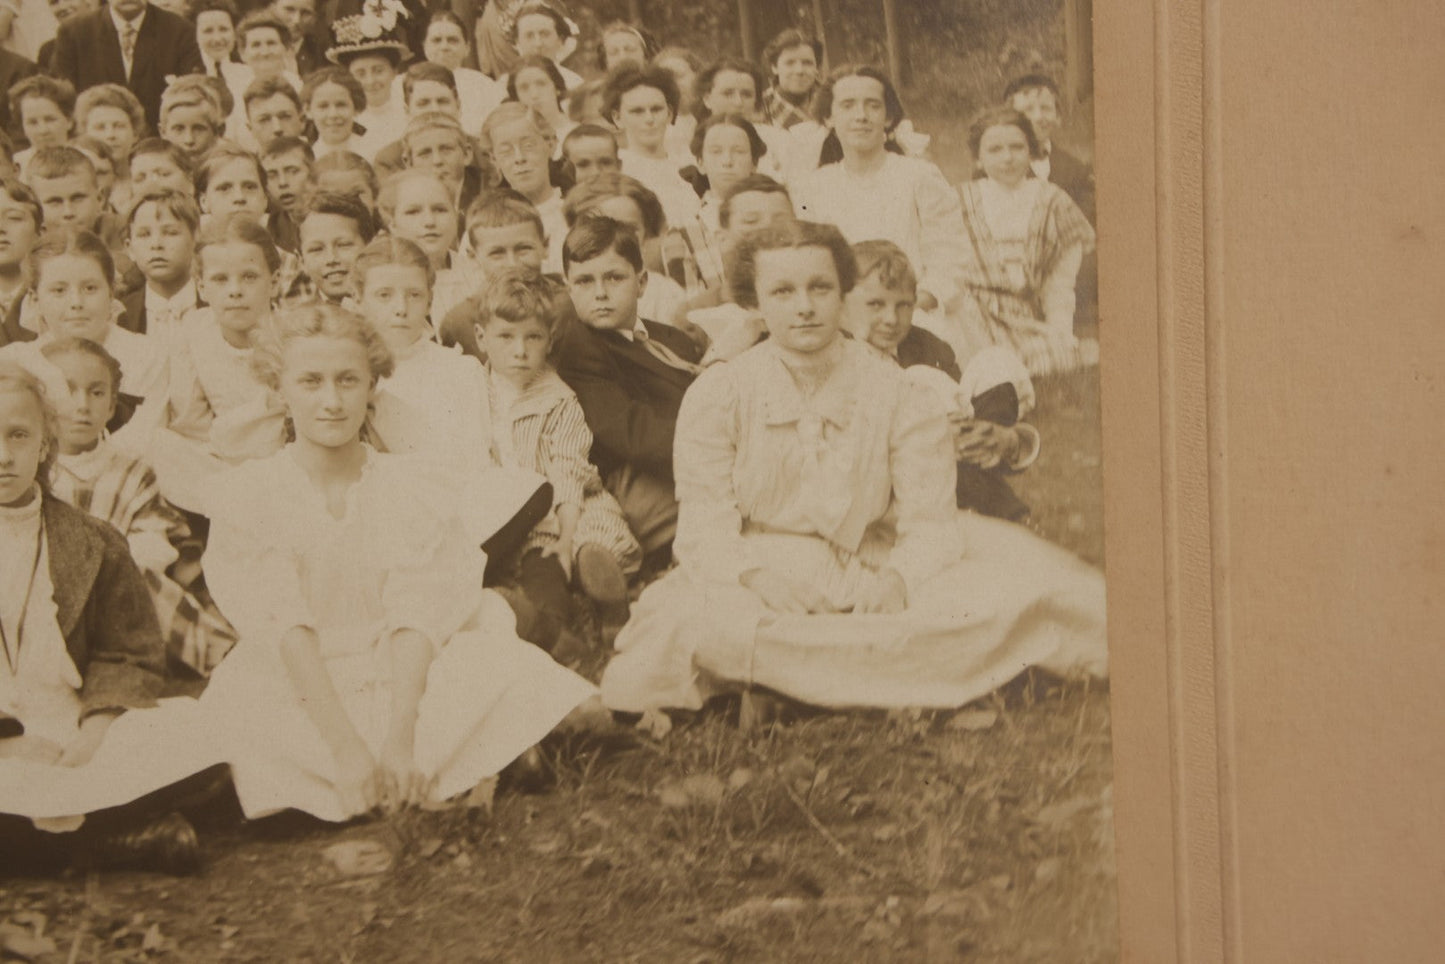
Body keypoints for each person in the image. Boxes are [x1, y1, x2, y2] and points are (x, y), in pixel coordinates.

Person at [599, 220, 1108, 714]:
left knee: (1003, 600)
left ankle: (781, 682)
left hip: (874, 557)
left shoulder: (898, 391)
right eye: (782, 292)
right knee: (688, 619)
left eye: (820, 288)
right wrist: (757, 578)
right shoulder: (719, 394)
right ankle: (868, 676)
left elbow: (930, 522)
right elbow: (704, 525)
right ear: (754, 302)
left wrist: (898, 581)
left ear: (843, 294)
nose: (804, 307)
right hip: (760, 564)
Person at [196, 302, 598, 821]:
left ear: (372, 386)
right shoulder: (252, 495)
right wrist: (346, 747)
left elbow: (418, 616)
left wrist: (400, 736)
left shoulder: (409, 486)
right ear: (279, 390)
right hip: (304, 681)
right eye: (311, 382)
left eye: (348, 380)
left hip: (402, 667)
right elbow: (285, 627)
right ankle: (465, 762)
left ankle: (419, 765)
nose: (332, 401)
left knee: (486, 659)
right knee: (240, 703)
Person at [0, 359, 222, 875]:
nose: (3, 456)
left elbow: (127, 651)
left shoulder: (93, 540)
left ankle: (41, 840)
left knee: (196, 736)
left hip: (74, 725)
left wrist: (93, 731)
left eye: (18, 435)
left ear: (45, 443)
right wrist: (10, 742)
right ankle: (103, 842)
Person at [41, 336, 238, 674]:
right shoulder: (32, 472)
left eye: (97, 393)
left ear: (112, 405)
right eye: (67, 391)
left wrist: (113, 565)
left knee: (145, 584)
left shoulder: (130, 471)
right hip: (48, 591)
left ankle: (220, 659)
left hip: (116, 593)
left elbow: (154, 542)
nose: (83, 405)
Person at [474, 266, 641, 650]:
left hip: (572, 502)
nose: (520, 350)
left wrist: (567, 538)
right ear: (482, 338)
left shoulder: (558, 398)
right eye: (506, 337)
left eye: (532, 337)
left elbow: (568, 471)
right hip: (515, 516)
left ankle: (609, 598)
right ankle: (552, 630)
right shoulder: (473, 391)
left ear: (549, 341)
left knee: (596, 534)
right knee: (541, 568)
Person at [844, 239, 1039, 521]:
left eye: (903, 305)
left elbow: (958, 401)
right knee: (918, 381)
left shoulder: (927, 345)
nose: (891, 318)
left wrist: (974, 432)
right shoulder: (838, 353)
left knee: (994, 362)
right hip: (887, 473)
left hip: (952, 452)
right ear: (843, 303)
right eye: (875, 304)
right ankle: (1004, 510)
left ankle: (984, 450)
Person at [790, 66, 971, 358]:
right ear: (829, 118)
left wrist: (908, 307)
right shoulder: (814, 187)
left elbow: (950, 259)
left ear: (888, 117)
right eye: (848, 105)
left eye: (873, 105)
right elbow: (810, 263)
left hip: (913, 315)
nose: (861, 116)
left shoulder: (919, 177)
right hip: (841, 321)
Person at [553, 215, 702, 559]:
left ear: (642, 282)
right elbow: (633, 434)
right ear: (569, 288)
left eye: (614, 278)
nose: (600, 293)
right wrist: (719, 448)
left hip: (686, 460)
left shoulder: (672, 338)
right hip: (640, 479)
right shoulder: (578, 347)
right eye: (584, 281)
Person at [117, 213, 280, 512]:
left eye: (249, 277)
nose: (235, 290)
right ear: (202, 288)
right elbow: (190, 423)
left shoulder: (294, 334)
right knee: (159, 444)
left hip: (282, 456)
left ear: (275, 281)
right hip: (220, 457)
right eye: (220, 279)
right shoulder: (193, 333)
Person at [956, 106, 1096, 377]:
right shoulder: (958, 200)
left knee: (1053, 358)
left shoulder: (1053, 201)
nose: (1007, 158)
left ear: (1031, 152)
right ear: (978, 159)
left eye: (1017, 147)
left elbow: (1060, 285)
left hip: (1025, 319)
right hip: (970, 316)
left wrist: (1060, 332)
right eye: (995, 150)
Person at [49, 0, 205, 132]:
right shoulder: (75, 32)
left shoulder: (180, 30)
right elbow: (63, 98)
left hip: (158, 144)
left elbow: (192, 94)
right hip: (94, 142)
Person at [605, 63, 698, 230]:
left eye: (656, 109)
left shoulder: (687, 167)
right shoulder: (617, 174)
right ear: (617, 118)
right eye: (637, 111)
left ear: (669, 114)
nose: (649, 119)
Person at [1003, 73, 1094, 223]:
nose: (1039, 117)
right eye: (1028, 110)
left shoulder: (1077, 170)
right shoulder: (994, 168)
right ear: (1009, 118)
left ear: (1058, 117)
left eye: (1046, 108)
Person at [376, 169, 467, 319]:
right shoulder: (378, 283)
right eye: (413, 212)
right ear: (392, 223)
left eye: (440, 210)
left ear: (455, 215)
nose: (429, 221)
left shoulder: (477, 275)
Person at [327, 7, 412, 152]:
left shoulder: (409, 115)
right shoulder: (344, 120)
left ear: (394, 71)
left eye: (378, 71)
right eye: (360, 73)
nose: (370, 81)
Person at [119, 187, 199, 340]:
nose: (156, 244)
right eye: (144, 235)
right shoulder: (120, 315)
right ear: (130, 248)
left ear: (195, 239)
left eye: (170, 232)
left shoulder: (217, 305)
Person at [416, 12, 505, 135]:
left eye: (452, 40)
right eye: (437, 40)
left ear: (467, 48)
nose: (444, 47)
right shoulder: (407, 83)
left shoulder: (483, 85)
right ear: (424, 46)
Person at [298, 189, 376, 304]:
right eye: (316, 249)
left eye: (344, 245)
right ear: (302, 261)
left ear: (371, 247)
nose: (331, 259)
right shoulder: (299, 314)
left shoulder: (397, 308)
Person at [301, 67, 383, 161]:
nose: (333, 114)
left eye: (341, 105)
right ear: (308, 110)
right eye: (323, 106)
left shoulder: (374, 154)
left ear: (356, 108)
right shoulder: (306, 159)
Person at [506, 54, 575, 153]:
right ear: (516, 96)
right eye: (524, 88)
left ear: (557, 88)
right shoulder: (513, 138)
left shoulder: (576, 129)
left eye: (541, 84)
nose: (534, 95)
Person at [9, 74, 75, 175]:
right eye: (32, 122)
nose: (43, 130)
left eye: (50, 120)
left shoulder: (91, 162)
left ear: (69, 120)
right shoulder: (15, 166)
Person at [259, 134, 311, 252]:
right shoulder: (269, 227)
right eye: (271, 175)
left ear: (312, 173)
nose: (282, 182)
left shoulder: (335, 219)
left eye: (292, 171)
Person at [760, 29, 821, 131]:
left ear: (817, 68)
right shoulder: (760, 107)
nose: (799, 70)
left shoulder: (833, 102)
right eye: (790, 63)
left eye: (807, 63)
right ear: (774, 67)